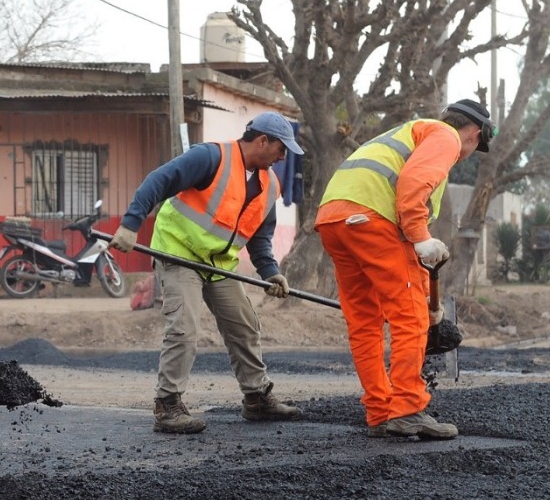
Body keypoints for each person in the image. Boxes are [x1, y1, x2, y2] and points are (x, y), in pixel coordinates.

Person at [109, 112, 306, 434]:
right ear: (262, 141)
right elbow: (158, 181)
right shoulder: (210, 157)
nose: (283, 157)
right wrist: (131, 224)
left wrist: (270, 272)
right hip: (178, 253)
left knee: (243, 325)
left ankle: (257, 398)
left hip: (218, 264)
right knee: (184, 328)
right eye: (281, 149)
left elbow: (259, 236)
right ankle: (168, 405)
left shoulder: (269, 185)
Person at [315, 98, 494, 441]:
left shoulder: (408, 134)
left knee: (365, 321)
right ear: (473, 131)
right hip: (371, 218)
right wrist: (420, 236)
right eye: (477, 144)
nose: (470, 151)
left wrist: (432, 299)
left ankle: (381, 411)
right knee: (409, 316)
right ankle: (408, 409)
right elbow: (412, 187)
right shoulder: (445, 136)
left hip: (334, 220)